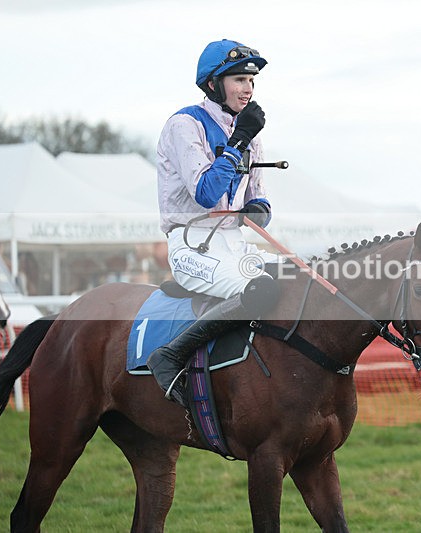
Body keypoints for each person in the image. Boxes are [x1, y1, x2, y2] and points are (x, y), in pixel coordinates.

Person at [147, 39, 281, 406]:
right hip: (190, 244)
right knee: (262, 291)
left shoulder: (252, 139)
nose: (248, 88)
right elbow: (206, 192)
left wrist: (257, 211)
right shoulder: (184, 124)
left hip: (233, 244)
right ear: (213, 85)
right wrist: (238, 140)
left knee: (295, 282)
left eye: (251, 81)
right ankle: (169, 355)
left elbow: (260, 203)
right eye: (238, 79)